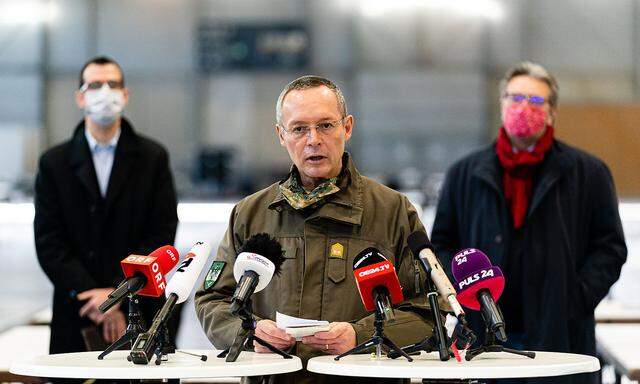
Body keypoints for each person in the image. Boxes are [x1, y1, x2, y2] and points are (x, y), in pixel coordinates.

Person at [195, 75, 435, 384]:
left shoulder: (393, 212)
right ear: (281, 135)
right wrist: (250, 332)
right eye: (299, 128)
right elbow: (213, 299)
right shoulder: (250, 214)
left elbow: (429, 312)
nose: (313, 140)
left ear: (347, 127)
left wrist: (360, 335)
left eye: (325, 125)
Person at [431, 61, 627, 384]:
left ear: (552, 112)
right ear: (502, 104)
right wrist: (466, 293)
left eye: (536, 101)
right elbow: (441, 247)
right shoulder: (464, 174)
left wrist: (575, 297)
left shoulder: (589, 173)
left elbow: (610, 248)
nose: (524, 108)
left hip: (561, 337)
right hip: (484, 341)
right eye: (515, 98)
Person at [34, 56, 180, 364]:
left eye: (113, 84)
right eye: (95, 85)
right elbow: (49, 242)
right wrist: (94, 294)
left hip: (141, 306)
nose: (105, 92)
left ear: (125, 95)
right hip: (78, 307)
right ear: (80, 97)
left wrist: (116, 292)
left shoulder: (152, 158)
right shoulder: (54, 163)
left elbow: (161, 232)